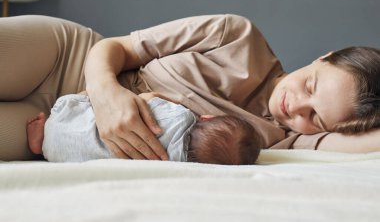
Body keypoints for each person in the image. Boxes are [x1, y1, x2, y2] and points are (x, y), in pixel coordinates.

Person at [0, 14, 379, 161]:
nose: (294, 106)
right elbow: (114, 47)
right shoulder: (236, 35)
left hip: (62, 129)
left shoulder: (283, 139)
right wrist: (105, 96)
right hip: (68, 58)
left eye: (315, 116)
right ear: (323, 57)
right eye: (310, 85)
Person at [26, 91, 260, 164]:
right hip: (58, 154)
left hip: (64, 116)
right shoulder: (175, 166)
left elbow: (146, 99)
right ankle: (42, 144)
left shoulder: (181, 117)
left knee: (92, 101)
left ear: (207, 118)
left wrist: (165, 98)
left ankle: (50, 126)